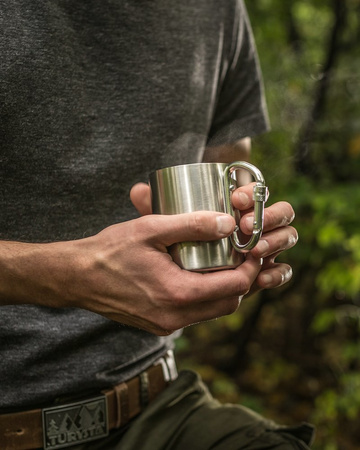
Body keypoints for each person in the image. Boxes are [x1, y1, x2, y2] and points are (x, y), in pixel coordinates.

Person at [0, 0, 315, 449]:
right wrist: (72, 274)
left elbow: (231, 163)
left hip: (157, 405)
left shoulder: (217, 10)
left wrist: (248, 223)